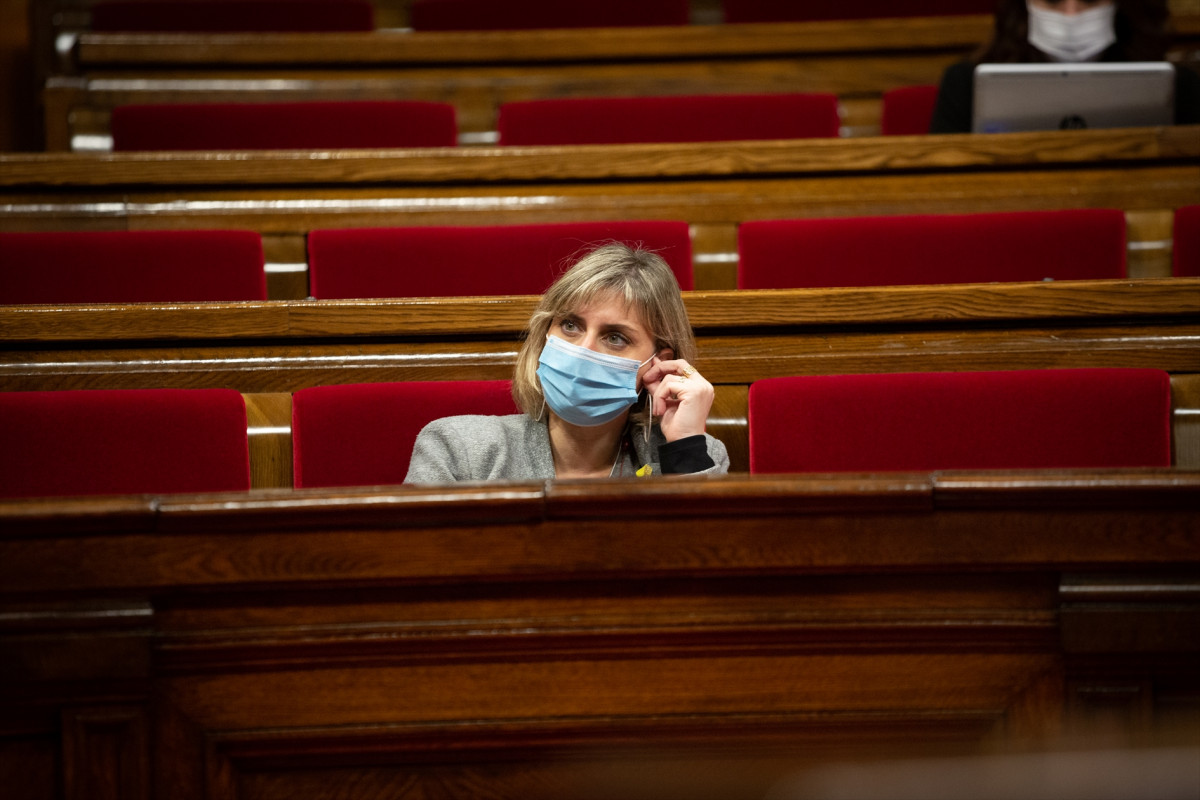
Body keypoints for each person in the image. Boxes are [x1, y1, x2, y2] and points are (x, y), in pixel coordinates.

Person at [404, 242, 730, 483]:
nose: (583, 349)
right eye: (570, 325)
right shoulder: (459, 449)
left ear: (658, 364)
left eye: (615, 337)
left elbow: (709, 564)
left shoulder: (695, 455)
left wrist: (685, 450)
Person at [929, 0, 1200, 133]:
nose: (1072, 13)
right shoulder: (965, 85)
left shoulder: (1180, 88)